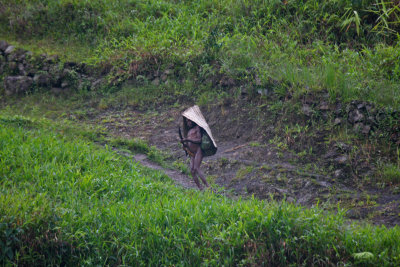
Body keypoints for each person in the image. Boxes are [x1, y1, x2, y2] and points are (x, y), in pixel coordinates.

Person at [180, 118, 209, 190]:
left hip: (198, 151)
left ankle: (208, 186)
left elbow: (199, 140)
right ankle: (200, 188)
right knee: (192, 171)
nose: (188, 123)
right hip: (192, 153)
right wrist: (184, 145)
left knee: (196, 168)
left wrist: (187, 139)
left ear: (193, 120)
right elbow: (188, 144)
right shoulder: (189, 131)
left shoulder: (197, 128)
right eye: (187, 122)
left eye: (189, 121)